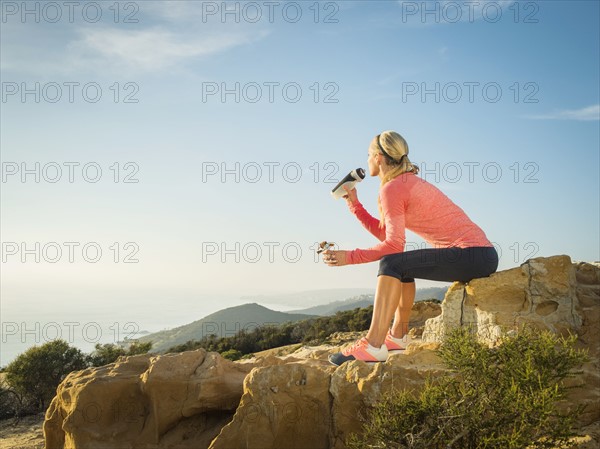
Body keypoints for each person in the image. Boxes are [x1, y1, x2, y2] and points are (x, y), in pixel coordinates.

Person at [323, 130, 498, 366]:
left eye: (368, 154)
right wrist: (355, 206)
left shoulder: (393, 188)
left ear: (378, 158)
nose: (366, 160)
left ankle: (374, 345)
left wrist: (349, 257)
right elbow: (388, 235)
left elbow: (393, 244)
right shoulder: (403, 183)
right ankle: (397, 336)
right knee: (398, 262)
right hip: (480, 255)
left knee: (391, 262)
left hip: (470, 254)